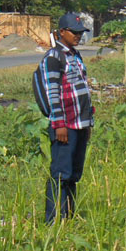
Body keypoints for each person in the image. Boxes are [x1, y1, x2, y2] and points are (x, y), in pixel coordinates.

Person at [44, 13, 93, 223]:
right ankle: (53, 220)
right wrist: (59, 124)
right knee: (61, 173)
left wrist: (89, 122)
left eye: (80, 32)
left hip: (81, 123)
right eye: (74, 32)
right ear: (62, 32)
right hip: (66, 125)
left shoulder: (76, 55)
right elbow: (52, 93)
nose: (78, 36)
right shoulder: (54, 57)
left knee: (74, 174)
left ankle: (69, 217)